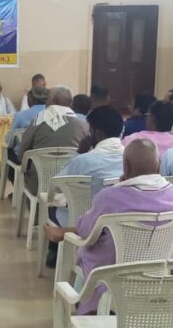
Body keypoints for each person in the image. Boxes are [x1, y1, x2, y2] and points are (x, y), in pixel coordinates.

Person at [43, 139, 173, 314]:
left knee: (86, 251)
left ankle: (87, 307)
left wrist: (118, 187)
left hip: (109, 277)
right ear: (158, 166)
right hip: (157, 274)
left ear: (125, 166)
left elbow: (85, 231)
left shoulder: (109, 197)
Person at [44, 105, 126, 268]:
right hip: (120, 224)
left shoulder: (83, 160)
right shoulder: (131, 157)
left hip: (83, 221)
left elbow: (57, 185)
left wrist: (78, 153)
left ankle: (54, 251)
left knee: (51, 204)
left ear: (97, 133)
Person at [16, 87, 89, 193]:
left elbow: (21, 154)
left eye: (48, 99)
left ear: (54, 100)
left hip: (38, 184)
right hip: (70, 185)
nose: (46, 103)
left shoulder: (39, 120)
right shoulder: (83, 125)